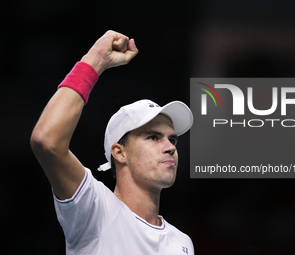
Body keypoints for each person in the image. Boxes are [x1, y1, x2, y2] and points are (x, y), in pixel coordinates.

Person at [30, 30, 194, 254]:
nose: (171, 147)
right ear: (119, 152)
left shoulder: (182, 243)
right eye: (153, 137)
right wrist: (96, 59)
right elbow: (46, 140)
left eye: (172, 139)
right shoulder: (96, 209)